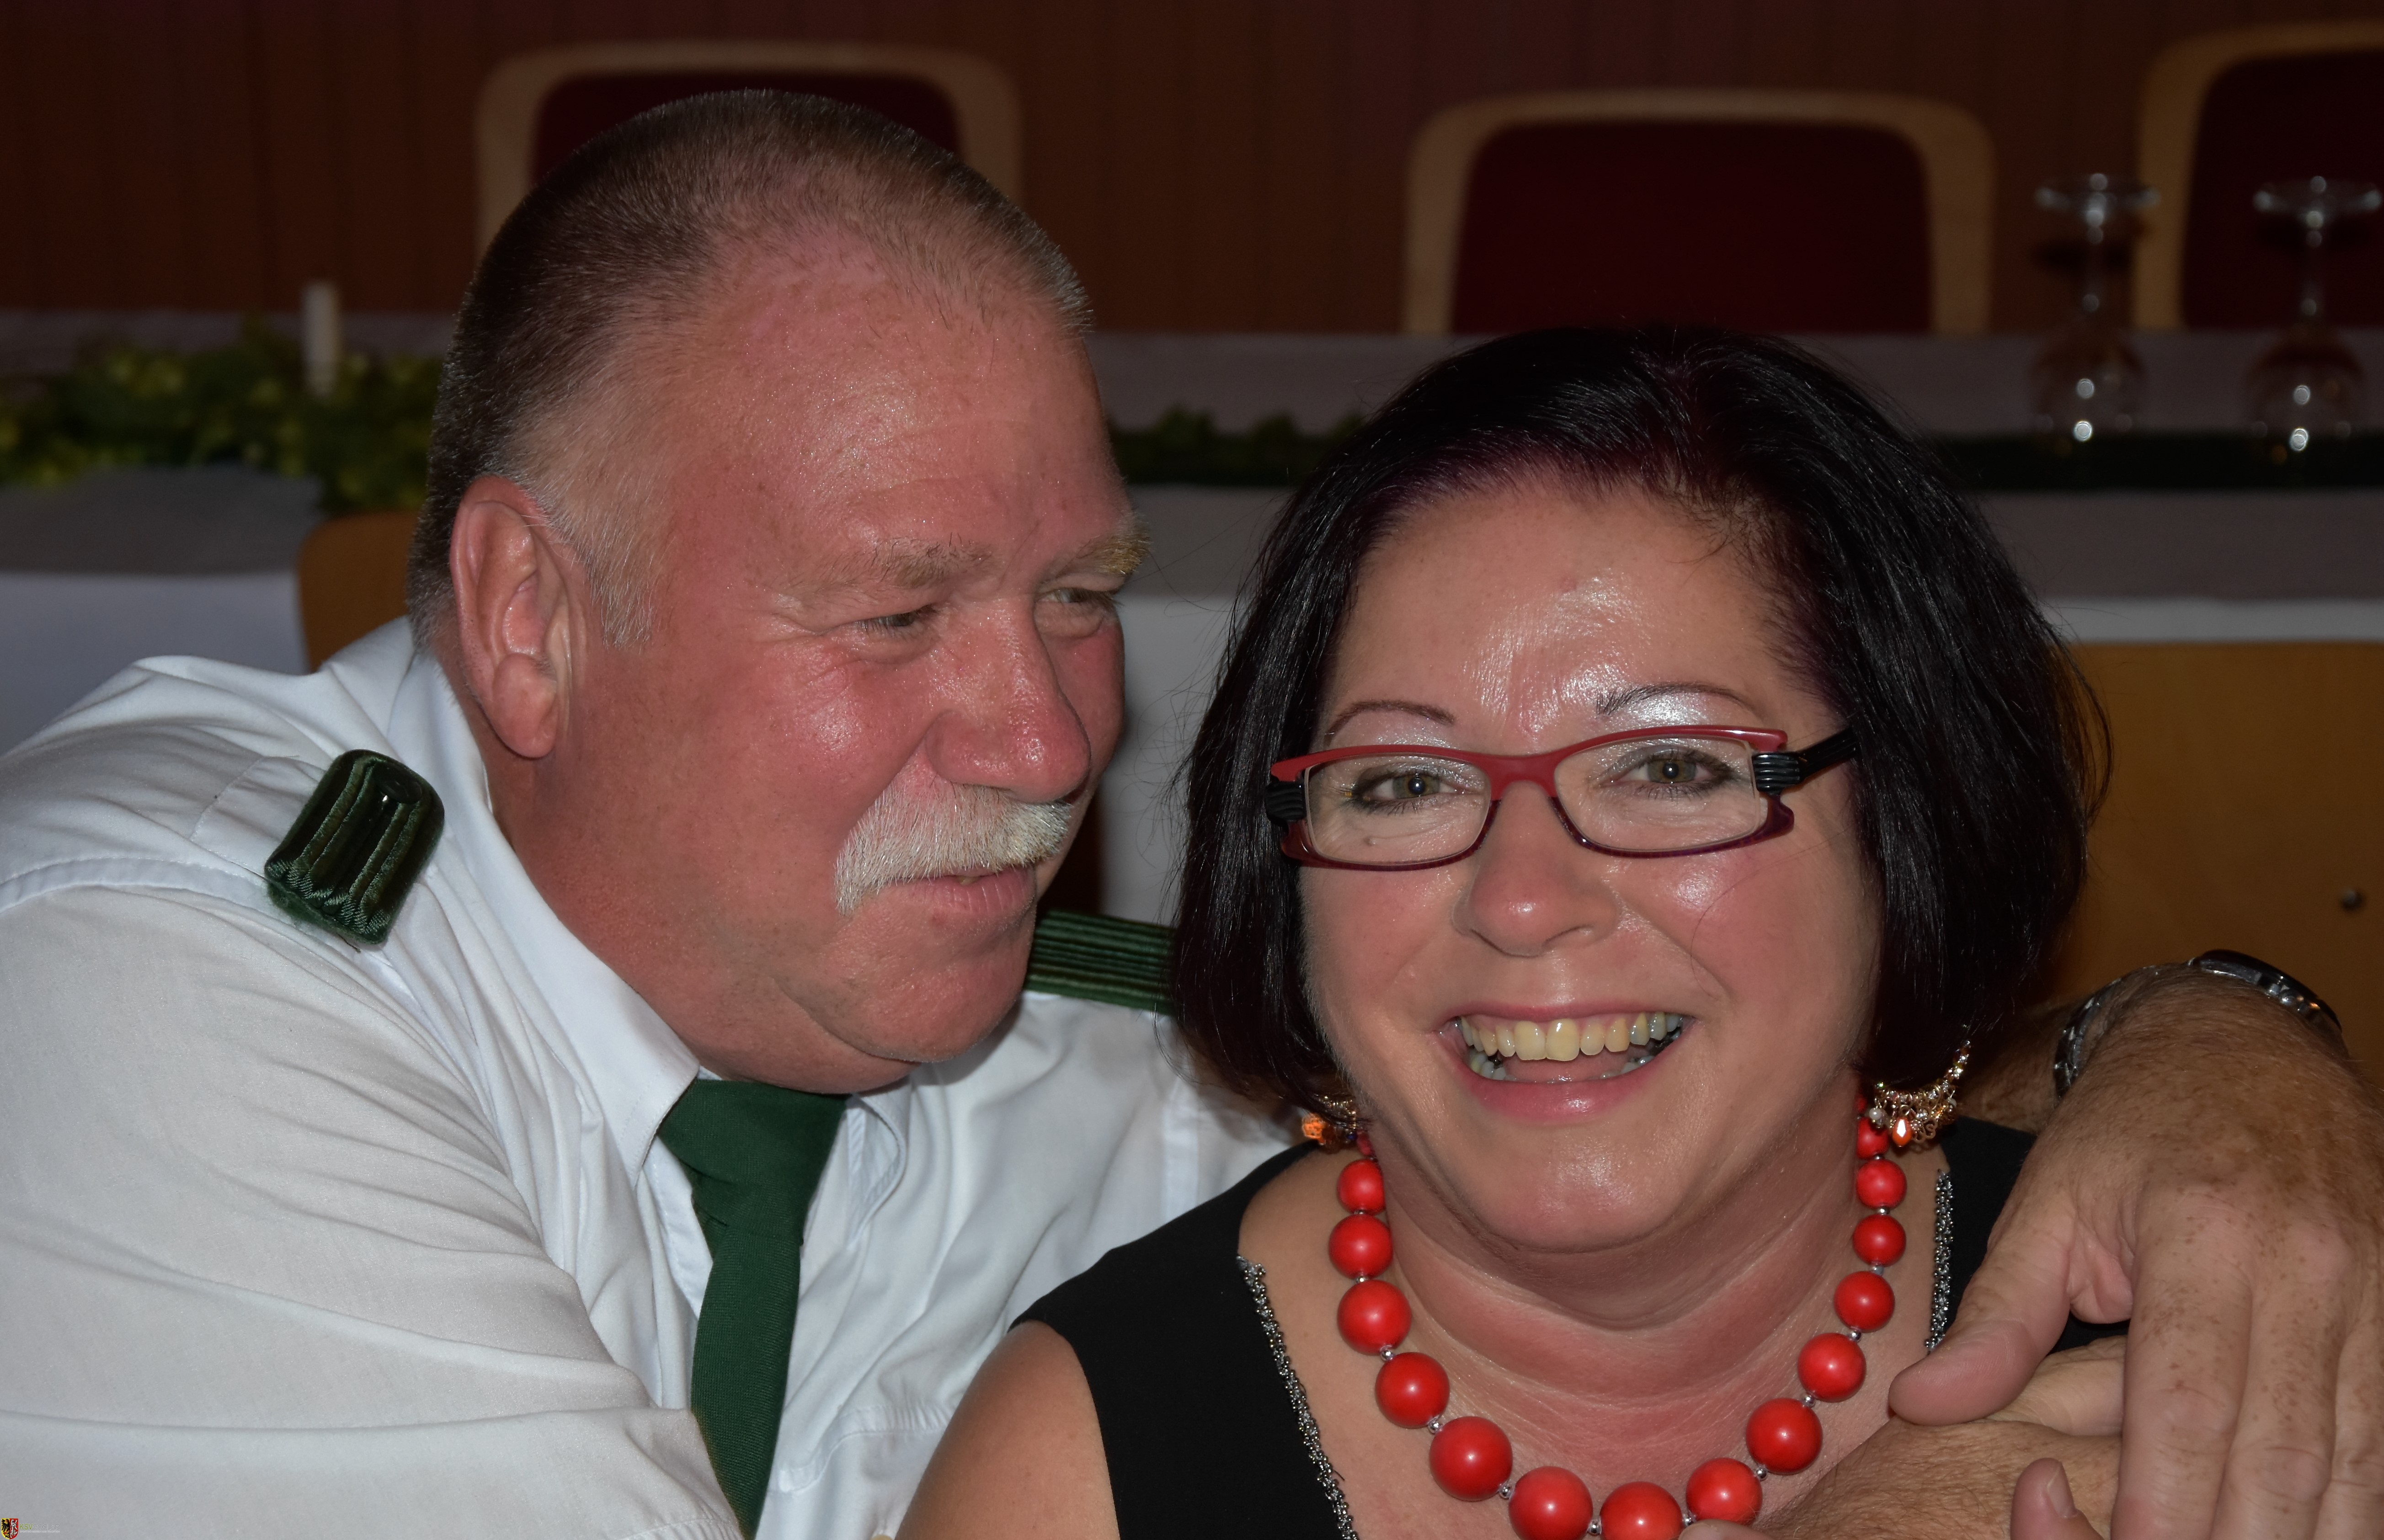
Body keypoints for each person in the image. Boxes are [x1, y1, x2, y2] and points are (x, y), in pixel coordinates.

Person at [0, 96, 2373, 1540]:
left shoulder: (1044, 1007)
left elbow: (1694, 1044)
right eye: (900, 610)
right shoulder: (154, 978)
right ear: (530, 618)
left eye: (1079, 597)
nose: (1050, 744)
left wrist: (2217, 1040)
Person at [904, 328, 2384, 1540]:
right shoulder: (1077, 1471)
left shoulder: (2224, 1328)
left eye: (1673, 767)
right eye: (1404, 783)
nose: (1523, 897)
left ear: (1905, 816)